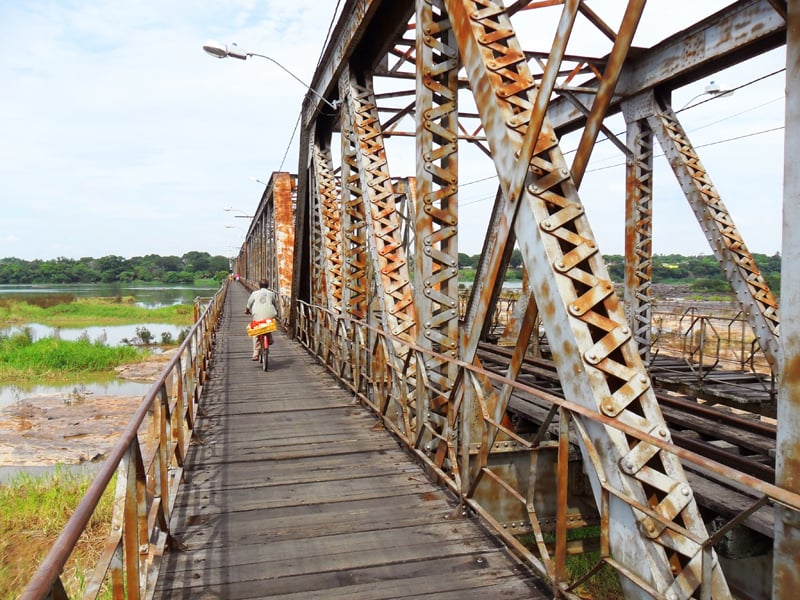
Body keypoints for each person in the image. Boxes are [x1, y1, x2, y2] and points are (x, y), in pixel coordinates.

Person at [245, 279, 278, 360]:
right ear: (268, 286)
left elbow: (249, 303)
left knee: (255, 331)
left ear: (259, 286)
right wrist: (276, 311)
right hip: (270, 315)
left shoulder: (254, 293)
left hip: (257, 315)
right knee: (269, 323)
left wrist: (247, 310)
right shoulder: (272, 293)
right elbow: (275, 304)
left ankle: (256, 352)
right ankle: (269, 338)